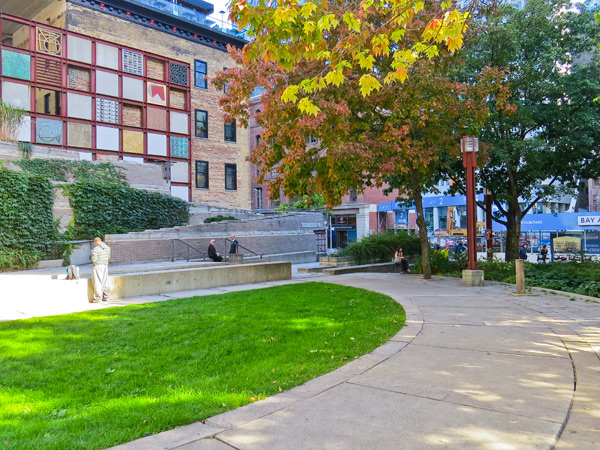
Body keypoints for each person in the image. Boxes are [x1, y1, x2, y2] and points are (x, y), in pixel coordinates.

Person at [91, 237, 111, 303]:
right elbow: (108, 257)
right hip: (105, 265)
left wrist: (91, 255)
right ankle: (106, 296)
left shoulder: (96, 249)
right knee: (105, 281)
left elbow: (94, 259)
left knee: (97, 282)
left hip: (97, 266)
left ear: (96, 242)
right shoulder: (108, 248)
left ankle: (98, 298)